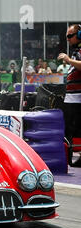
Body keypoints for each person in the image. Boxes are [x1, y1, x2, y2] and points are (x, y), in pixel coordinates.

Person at [58, 24, 81, 166]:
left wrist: (68, 60)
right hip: (73, 97)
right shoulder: (76, 51)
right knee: (72, 129)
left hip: (77, 98)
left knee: (74, 129)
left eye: (70, 36)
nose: (67, 39)